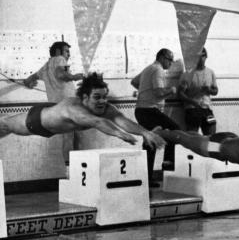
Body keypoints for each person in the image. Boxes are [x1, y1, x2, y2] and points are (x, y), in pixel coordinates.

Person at [0, 73, 165, 152]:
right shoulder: (75, 108)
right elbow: (98, 122)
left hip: (51, 116)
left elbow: (121, 120)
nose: (102, 101)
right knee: (5, 125)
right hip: (36, 121)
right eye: (97, 97)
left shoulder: (104, 108)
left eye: (104, 97)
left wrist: (145, 133)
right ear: (85, 97)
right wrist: (119, 134)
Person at [23, 41, 85, 165]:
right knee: (70, 138)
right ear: (58, 51)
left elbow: (28, 79)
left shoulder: (45, 67)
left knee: (69, 137)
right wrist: (74, 77)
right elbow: (60, 74)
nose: (69, 54)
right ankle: (73, 171)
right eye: (67, 51)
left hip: (54, 107)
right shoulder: (60, 59)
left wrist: (29, 84)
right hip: (66, 106)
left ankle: (72, 168)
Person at [131, 48, 181, 188]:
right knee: (175, 129)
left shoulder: (149, 68)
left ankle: (146, 178)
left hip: (141, 111)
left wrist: (143, 90)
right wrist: (171, 90)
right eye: (170, 60)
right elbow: (159, 92)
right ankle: (168, 162)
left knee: (150, 142)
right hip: (149, 110)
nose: (171, 63)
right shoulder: (158, 69)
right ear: (162, 57)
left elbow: (134, 81)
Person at [178, 47, 218, 135]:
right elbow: (180, 93)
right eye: (198, 57)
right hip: (192, 110)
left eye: (203, 56)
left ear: (206, 57)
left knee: (212, 136)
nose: (201, 59)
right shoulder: (187, 74)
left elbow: (215, 91)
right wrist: (192, 102)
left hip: (207, 110)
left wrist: (209, 90)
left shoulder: (210, 72)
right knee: (192, 138)